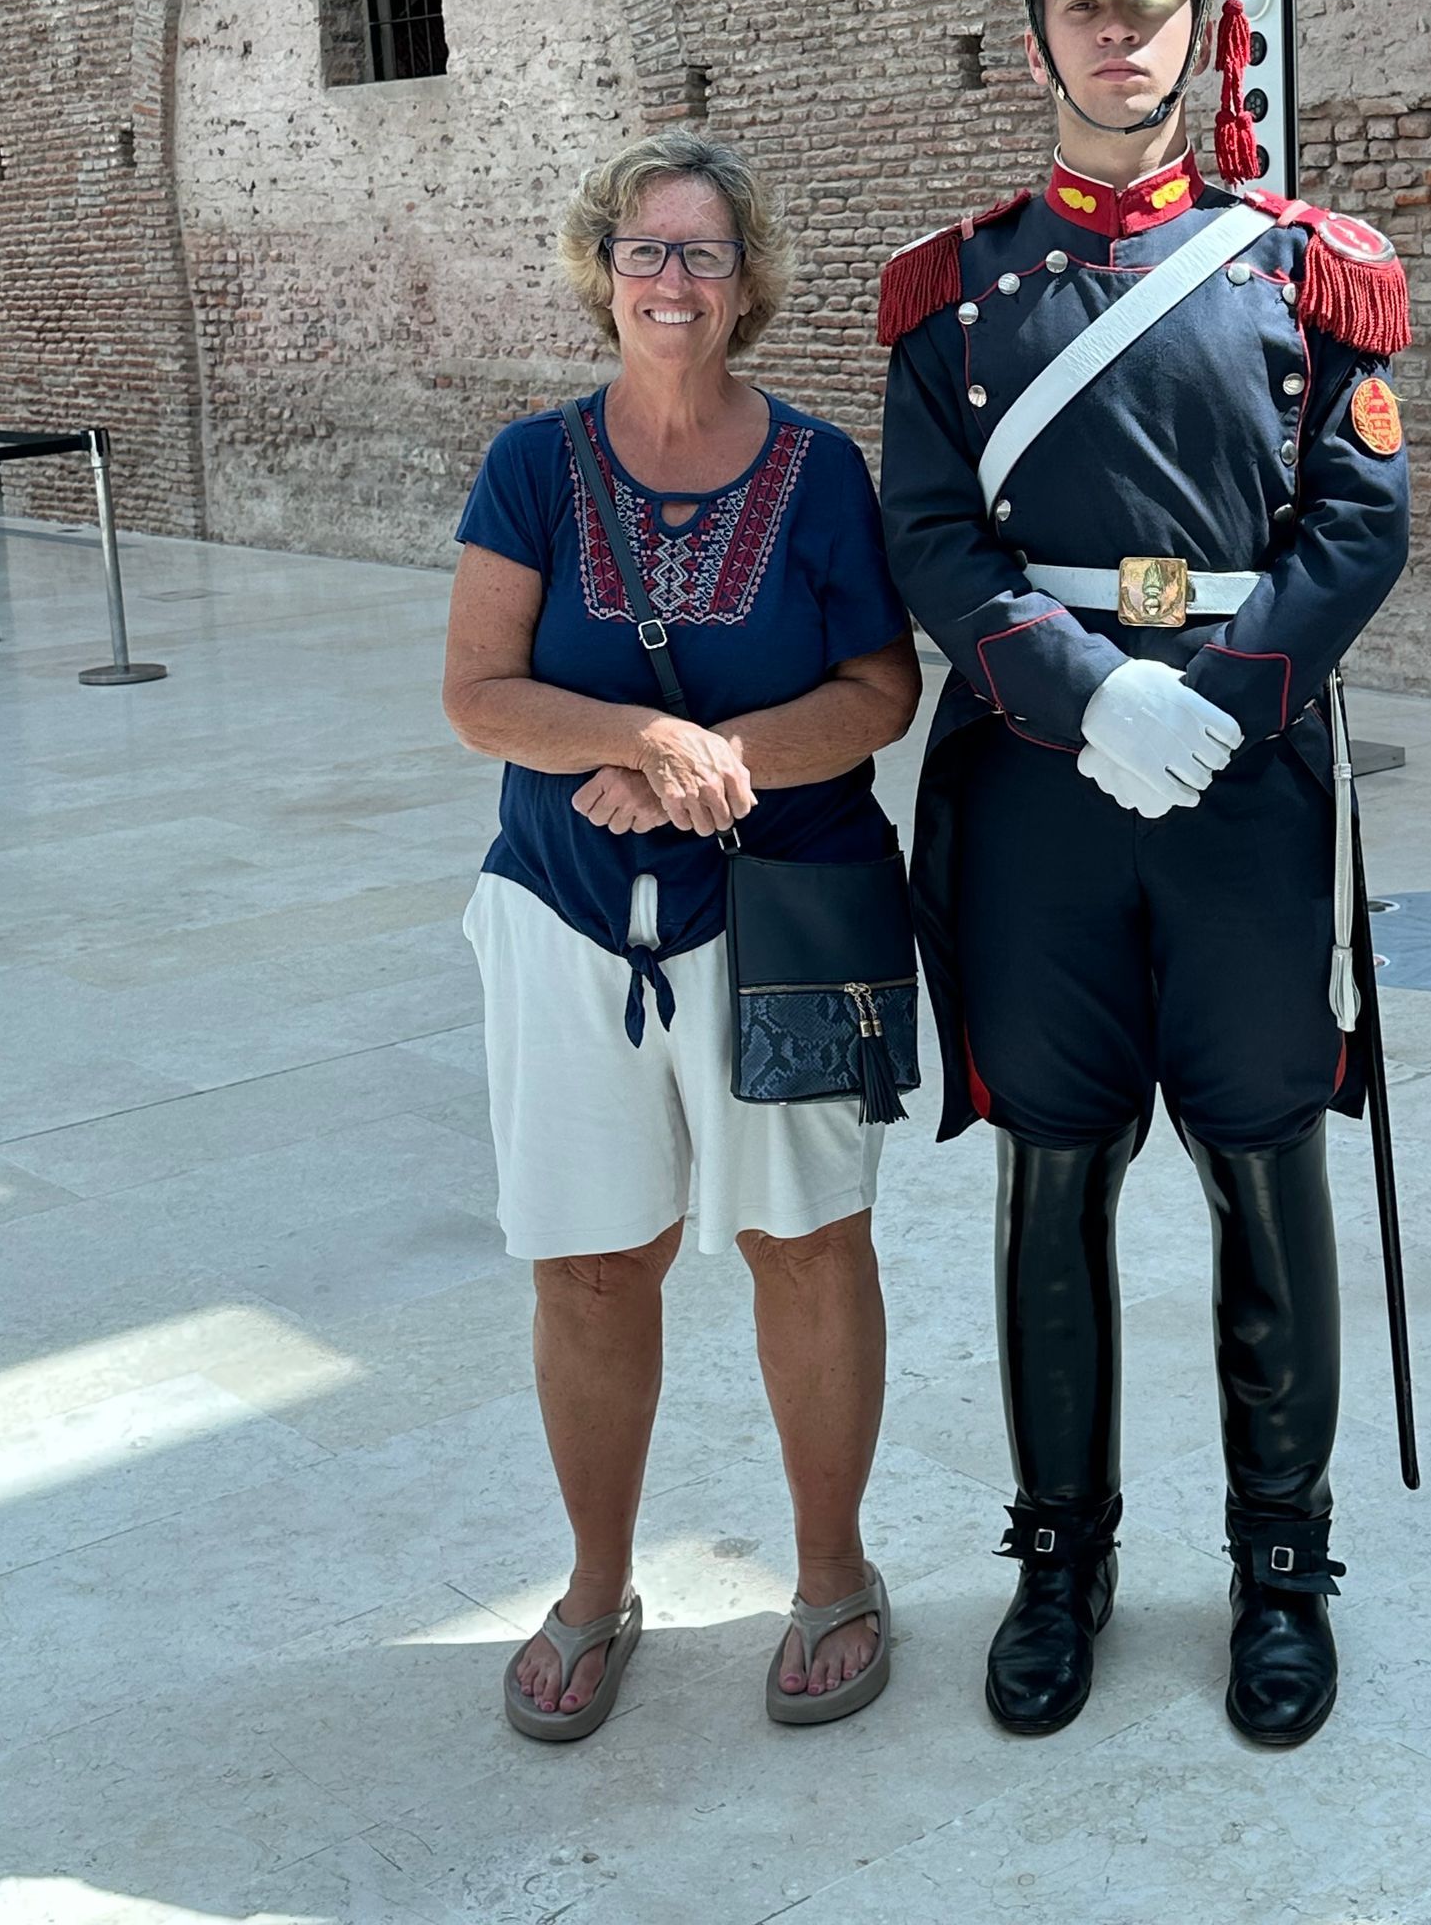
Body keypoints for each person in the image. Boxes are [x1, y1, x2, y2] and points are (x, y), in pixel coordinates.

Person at [878, 0, 1411, 1747]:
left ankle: (1282, 1564)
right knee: (1055, 1171)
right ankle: (1061, 1562)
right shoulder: (952, 296)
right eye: (1086, 5)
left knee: (1266, 1161)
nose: (1121, 37)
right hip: (1039, 790)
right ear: (1036, 24)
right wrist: (1085, 690)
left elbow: (1357, 521)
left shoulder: (1310, 275)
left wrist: (1228, 698)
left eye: (1153, 3)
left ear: (1206, 14)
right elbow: (933, 532)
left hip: (1243, 791)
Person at [443, 129, 921, 1740]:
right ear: (602, 273)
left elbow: (879, 690)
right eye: (644, 249)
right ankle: (595, 1586)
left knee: (809, 1242)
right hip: (566, 914)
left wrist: (714, 767)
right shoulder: (533, 463)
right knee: (588, 1262)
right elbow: (480, 693)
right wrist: (645, 739)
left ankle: (833, 1574)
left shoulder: (821, 470)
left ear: (744, 282)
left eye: (703, 253)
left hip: (783, 914)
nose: (671, 279)